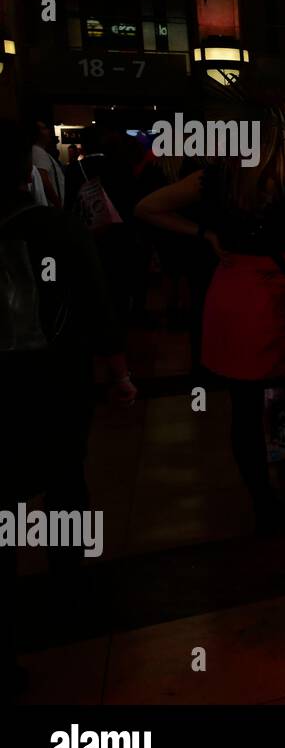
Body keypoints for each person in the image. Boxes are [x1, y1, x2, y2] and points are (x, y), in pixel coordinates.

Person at [135, 111, 285, 531]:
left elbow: (145, 208)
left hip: (231, 296)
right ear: (276, 140)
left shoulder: (212, 180)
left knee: (244, 409)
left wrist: (206, 235)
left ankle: (263, 504)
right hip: (281, 299)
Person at [0, 119, 135, 698]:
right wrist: (119, 372)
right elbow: (97, 304)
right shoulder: (55, 228)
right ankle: (65, 582)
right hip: (54, 377)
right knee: (63, 476)